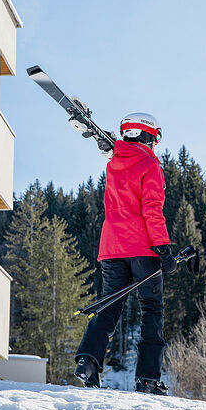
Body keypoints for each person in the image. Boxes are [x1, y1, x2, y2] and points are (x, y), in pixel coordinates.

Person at [74, 112, 177, 395]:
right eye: (155, 139)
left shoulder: (113, 164)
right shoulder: (150, 165)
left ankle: (88, 361)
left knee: (109, 305)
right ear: (148, 136)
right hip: (142, 247)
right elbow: (151, 210)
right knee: (151, 310)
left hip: (111, 247)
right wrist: (164, 249)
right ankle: (147, 379)